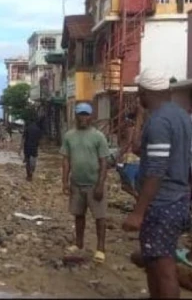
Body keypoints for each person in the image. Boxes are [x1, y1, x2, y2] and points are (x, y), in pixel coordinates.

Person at [122, 68, 192, 299]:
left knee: (163, 269)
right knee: (154, 261)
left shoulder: (160, 121)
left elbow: (156, 170)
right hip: (178, 199)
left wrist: (138, 213)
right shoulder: (180, 115)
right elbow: (143, 151)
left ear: (143, 92)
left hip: (162, 204)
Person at [61, 102, 110, 264]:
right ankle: (79, 243)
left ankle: (101, 249)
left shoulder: (98, 136)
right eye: (80, 114)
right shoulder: (69, 136)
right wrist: (65, 182)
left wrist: (100, 185)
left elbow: (104, 162)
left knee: (100, 217)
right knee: (79, 215)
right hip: (76, 183)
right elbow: (66, 160)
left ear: (91, 117)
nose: (83, 117)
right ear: (75, 116)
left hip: (94, 183)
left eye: (86, 114)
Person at [20, 117, 42, 181]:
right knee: (33, 162)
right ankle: (31, 172)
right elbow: (40, 140)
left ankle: (29, 176)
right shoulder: (38, 129)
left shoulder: (27, 128)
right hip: (34, 148)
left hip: (27, 147)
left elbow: (23, 139)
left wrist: (20, 149)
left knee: (27, 161)